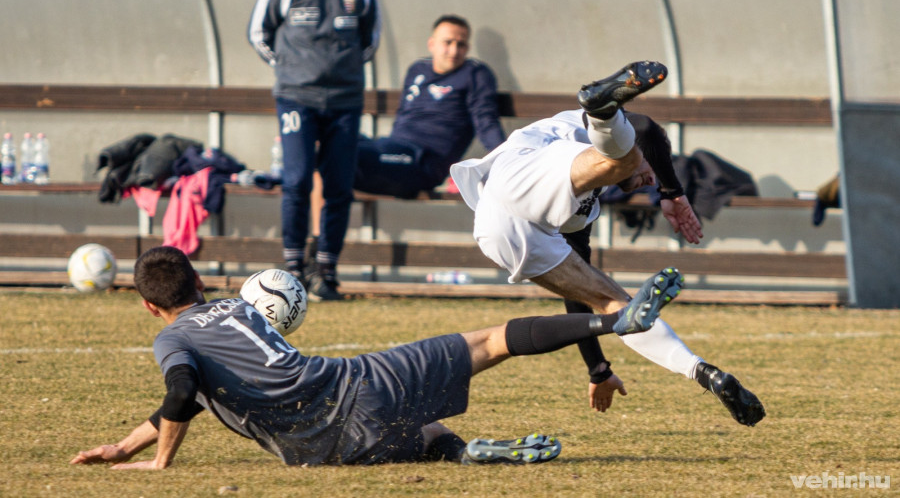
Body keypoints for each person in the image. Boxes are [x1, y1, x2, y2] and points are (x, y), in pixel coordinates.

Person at [70, 246, 682, 468]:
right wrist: (145, 457)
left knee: (417, 426)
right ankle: (615, 319)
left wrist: (137, 455)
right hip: (357, 386)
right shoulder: (235, 308)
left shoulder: (172, 339)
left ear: (151, 308)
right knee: (492, 340)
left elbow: (188, 393)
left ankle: (466, 454)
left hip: (311, 449)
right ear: (200, 282)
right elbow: (184, 396)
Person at [450, 61, 766, 426]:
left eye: (651, 180)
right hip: (514, 179)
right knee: (622, 158)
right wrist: (672, 192)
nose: (648, 181)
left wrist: (598, 369)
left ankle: (703, 372)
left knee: (618, 307)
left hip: (501, 234)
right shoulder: (565, 131)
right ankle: (602, 110)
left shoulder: (584, 208)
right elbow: (647, 128)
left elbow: (578, 299)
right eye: (651, 173)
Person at [248, 0, 381, 302]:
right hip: (296, 98)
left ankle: (327, 270)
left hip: (344, 101)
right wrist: (291, 69)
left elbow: (370, 41)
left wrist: (341, 71)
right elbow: (258, 32)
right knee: (297, 180)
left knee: (339, 185)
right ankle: (293, 268)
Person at [354, 14, 506, 198]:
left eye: (461, 44)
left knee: (341, 155)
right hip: (393, 150)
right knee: (331, 142)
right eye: (447, 42)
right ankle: (318, 226)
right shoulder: (418, 69)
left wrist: (507, 160)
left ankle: (320, 226)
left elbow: (485, 121)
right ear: (431, 44)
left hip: (424, 161)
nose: (454, 50)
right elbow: (403, 115)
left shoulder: (474, 73)